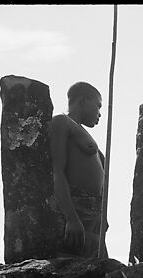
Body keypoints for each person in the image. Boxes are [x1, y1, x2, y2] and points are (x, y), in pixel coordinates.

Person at [49, 82, 108, 258]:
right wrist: (71, 218)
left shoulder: (85, 135)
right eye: (97, 106)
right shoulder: (62, 123)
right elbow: (57, 172)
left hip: (94, 214)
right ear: (82, 101)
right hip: (76, 208)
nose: (99, 113)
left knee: (101, 272)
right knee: (73, 265)